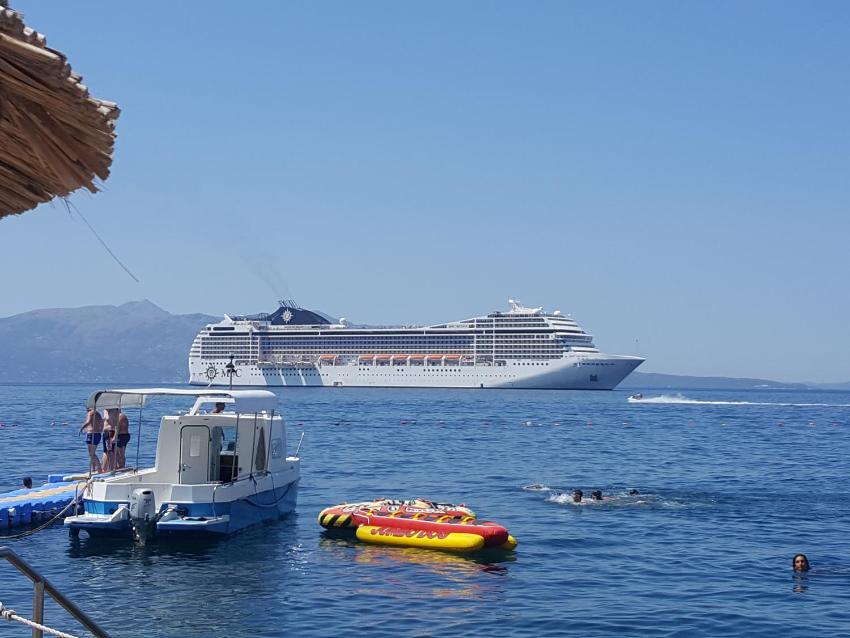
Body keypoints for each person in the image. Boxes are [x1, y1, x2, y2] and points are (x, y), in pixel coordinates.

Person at [80, 407, 104, 474]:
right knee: (92, 453)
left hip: (92, 434)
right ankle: (93, 469)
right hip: (97, 434)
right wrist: (100, 430)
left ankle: (99, 468)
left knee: (91, 453)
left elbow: (88, 422)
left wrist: (81, 428)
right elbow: (102, 422)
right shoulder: (98, 413)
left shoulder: (90, 413)